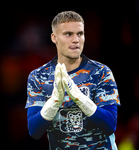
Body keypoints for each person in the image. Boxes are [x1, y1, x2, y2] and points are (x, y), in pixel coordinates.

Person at [25, 11, 121, 150]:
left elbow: (110, 125)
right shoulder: (38, 76)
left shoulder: (101, 72)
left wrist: (79, 98)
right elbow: (34, 131)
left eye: (80, 34)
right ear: (54, 37)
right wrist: (54, 101)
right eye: (68, 34)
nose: (76, 40)